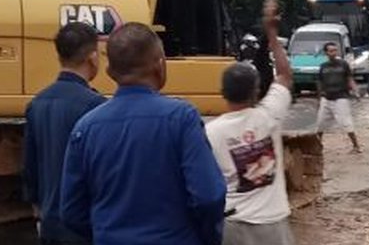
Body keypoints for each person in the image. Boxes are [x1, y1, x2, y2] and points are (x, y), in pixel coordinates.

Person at [60, 23, 226, 245]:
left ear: (109, 72)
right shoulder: (181, 118)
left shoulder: (85, 128)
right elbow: (209, 196)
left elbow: (71, 211)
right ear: (160, 65)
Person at [205, 0, 296, 245]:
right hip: (272, 225)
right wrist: (272, 33)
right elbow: (286, 76)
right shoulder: (270, 115)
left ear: (223, 93)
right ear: (256, 91)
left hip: (232, 226)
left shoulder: (211, 132)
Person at [24, 22, 106, 245]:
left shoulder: (37, 103)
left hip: (50, 223)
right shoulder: (95, 105)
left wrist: (38, 210)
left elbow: (31, 166)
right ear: (92, 57)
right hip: (84, 225)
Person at [315, 41, 362, 153]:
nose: (333, 53)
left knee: (346, 122)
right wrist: (319, 98)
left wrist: (356, 91)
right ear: (326, 53)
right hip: (326, 98)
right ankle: (317, 147)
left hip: (341, 97)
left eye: (335, 50)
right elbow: (319, 83)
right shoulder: (323, 67)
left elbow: (349, 79)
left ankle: (356, 146)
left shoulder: (343, 64)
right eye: (331, 51)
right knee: (320, 124)